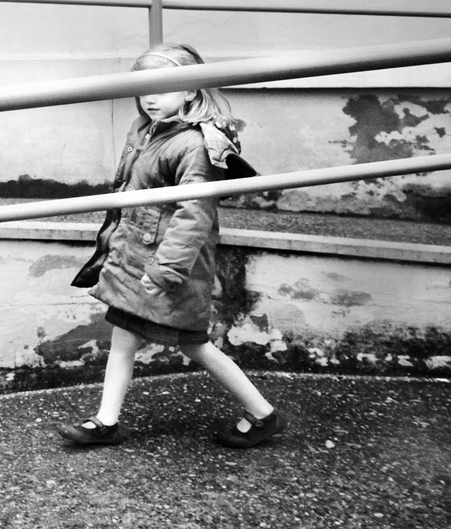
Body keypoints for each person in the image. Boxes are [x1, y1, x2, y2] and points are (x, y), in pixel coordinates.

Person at [58, 43, 285, 449]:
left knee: (195, 344)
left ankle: (263, 414)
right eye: (144, 87)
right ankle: (105, 421)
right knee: (123, 334)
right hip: (135, 254)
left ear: (191, 91)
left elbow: (194, 213)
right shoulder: (144, 129)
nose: (149, 97)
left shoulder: (195, 145)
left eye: (161, 88)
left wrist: (165, 270)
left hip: (170, 264)